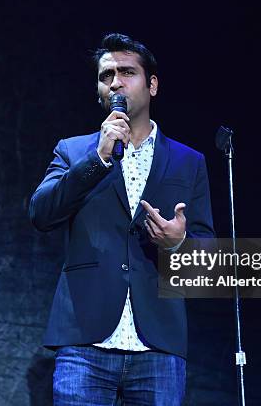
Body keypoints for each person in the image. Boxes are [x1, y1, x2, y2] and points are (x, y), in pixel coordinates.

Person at [29, 33, 215, 405]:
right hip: (85, 339)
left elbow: (207, 254)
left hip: (158, 343)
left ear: (152, 85)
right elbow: (41, 213)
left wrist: (178, 242)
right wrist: (96, 161)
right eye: (106, 75)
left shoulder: (188, 162)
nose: (115, 82)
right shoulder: (73, 151)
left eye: (127, 72)